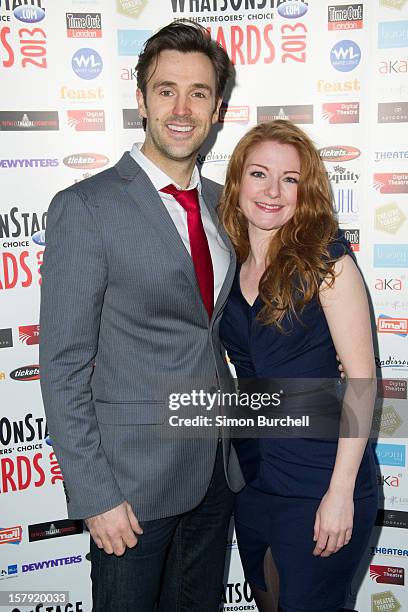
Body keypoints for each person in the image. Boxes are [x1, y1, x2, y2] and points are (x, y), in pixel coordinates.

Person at [39, 20, 244, 612]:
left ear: (218, 107)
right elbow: (64, 363)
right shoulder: (87, 207)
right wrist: (95, 494)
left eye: (199, 93)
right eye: (166, 90)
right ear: (141, 100)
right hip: (129, 488)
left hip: (214, 471)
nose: (182, 108)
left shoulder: (220, 204)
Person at [219, 120, 378, 612]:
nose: (272, 191)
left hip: (319, 479)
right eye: (259, 174)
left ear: (304, 191)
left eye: (290, 179)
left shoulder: (326, 261)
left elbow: (363, 381)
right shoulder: (230, 262)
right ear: (237, 183)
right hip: (254, 480)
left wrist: (340, 493)